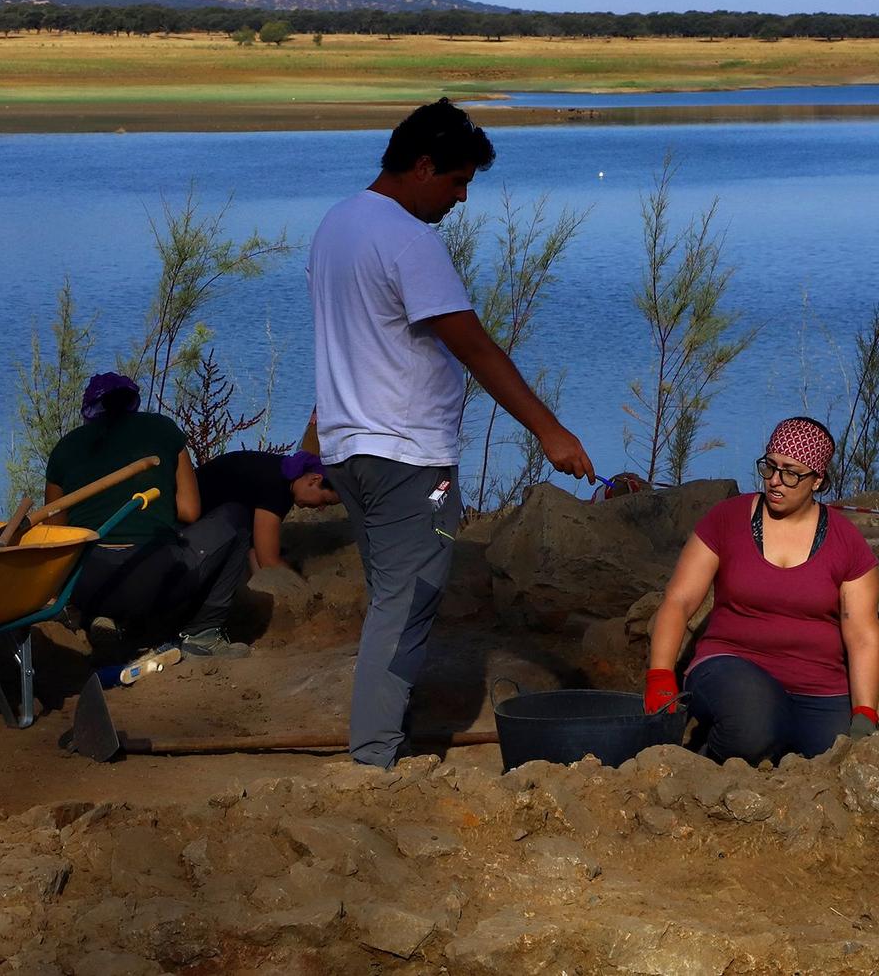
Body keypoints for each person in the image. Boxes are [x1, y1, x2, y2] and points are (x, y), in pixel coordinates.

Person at [309, 97, 597, 768]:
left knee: (392, 599)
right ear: (421, 165)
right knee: (406, 608)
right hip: (408, 458)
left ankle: (386, 732)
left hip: (353, 450)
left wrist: (311, 445)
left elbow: (343, 341)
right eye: (457, 180)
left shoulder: (336, 224)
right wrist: (549, 431)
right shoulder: (409, 238)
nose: (462, 198)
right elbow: (475, 346)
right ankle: (374, 758)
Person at [644, 416, 879, 764]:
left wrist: (865, 712)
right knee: (753, 726)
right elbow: (678, 600)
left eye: (790, 472)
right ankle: (707, 767)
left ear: (817, 480)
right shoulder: (726, 519)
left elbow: (862, 634)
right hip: (730, 667)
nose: (775, 481)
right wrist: (661, 674)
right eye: (769, 467)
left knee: (836, 760)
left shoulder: (847, 542)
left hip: (816, 687)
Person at [43, 372, 253, 659]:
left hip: (86, 584)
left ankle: (101, 616)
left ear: (89, 410)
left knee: (80, 559)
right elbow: (190, 512)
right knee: (237, 518)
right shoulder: (163, 430)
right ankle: (202, 635)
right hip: (152, 576)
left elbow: (55, 535)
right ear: (133, 402)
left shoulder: (64, 448)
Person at [196, 447, 342, 571]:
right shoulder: (276, 487)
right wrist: (305, 587)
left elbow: (257, 549)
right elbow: (269, 562)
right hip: (190, 525)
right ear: (314, 480)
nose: (322, 508)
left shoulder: (284, 475)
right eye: (325, 501)